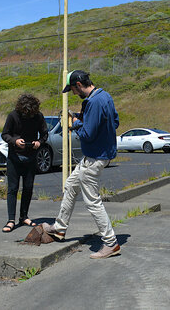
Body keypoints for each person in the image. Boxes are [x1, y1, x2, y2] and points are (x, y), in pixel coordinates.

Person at [43, 70, 121, 259]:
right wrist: (81, 117)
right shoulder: (104, 96)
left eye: (72, 90)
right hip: (98, 155)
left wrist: (75, 123)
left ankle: (110, 243)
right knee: (70, 185)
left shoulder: (93, 102)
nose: (73, 94)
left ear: (78, 85)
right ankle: (59, 228)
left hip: (94, 157)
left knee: (92, 201)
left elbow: (87, 134)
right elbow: (115, 122)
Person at [0, 93, 48, 233]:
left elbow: (45, 134)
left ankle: (24, 216)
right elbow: (5, 134)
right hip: (14, 158)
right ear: (21, 109)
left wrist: (39, 142)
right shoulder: (13, 115)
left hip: (31, 157)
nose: (28, 116)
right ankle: (11, 220)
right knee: (13, 189)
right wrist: (15, 141)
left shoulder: (38, 116)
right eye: (26, 113)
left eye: (31, 113)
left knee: (28, 187)